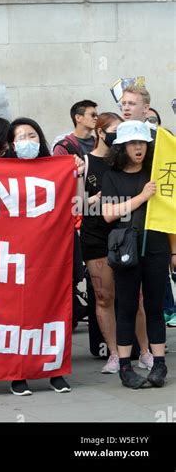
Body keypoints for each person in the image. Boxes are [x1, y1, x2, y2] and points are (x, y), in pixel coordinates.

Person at [7, 117, 83, 395]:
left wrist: (77, 175)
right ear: (12, 145)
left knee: (53, 310)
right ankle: (18, 374)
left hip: (50, 254)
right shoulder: (1, 172)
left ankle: (55, 370)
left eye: (32, 135)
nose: (27, 141)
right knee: (17, 315)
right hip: (14, 257)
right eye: (21, 137)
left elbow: (78, 206)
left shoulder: (57, 170)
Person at [79, 112, 152, 373]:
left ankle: (144, 351)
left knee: (137, 297)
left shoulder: (132, 162)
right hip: (96, 236)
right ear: (101, 133)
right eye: (115, 130)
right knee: (104, 296)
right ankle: (113, 353)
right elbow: (74, 201)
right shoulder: (84, 162)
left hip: (126, 234)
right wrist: (92, 198)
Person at [101, 120, 171, 389]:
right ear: (122, 147)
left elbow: (170, 213)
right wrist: (142, 197)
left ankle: (159, 364)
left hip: (156, 245)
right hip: (126, 247)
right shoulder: (112, 176)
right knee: (127, 307)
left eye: (142, 142)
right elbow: (108, 214)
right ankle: (125, 367)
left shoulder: (157, 172)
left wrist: (173, 250)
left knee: (155, 307)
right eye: (132, 143)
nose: (138, 147)